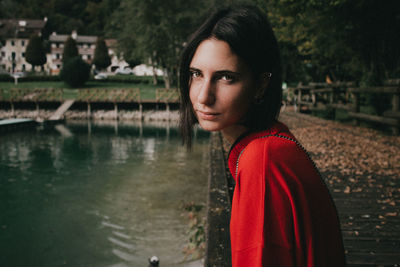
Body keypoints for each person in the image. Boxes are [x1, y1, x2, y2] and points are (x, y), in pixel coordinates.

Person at [179, 5, 346, 267]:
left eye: (225, 77)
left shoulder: (262, 160)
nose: (203, 97)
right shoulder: (272, 145)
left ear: (261, 84)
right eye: (196, 74)